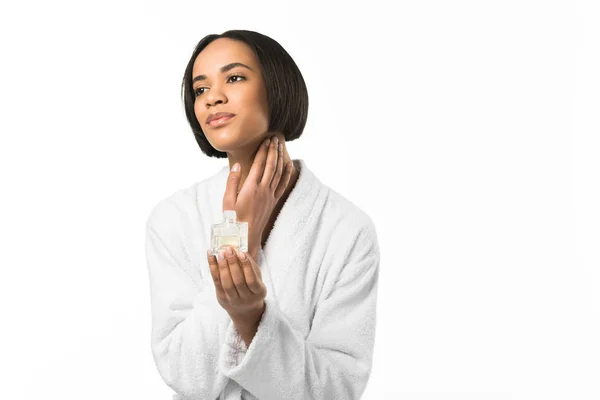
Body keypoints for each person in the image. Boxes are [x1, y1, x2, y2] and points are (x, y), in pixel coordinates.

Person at [145, 30, 380, 400]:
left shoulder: (346, 229)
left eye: (234, 78)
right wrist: (239, 234)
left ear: (277, 86)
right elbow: (183, 372)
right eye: (200, 89)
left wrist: (251, 316)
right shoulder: (173, 218)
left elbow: (338, 388)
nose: (213, 98)